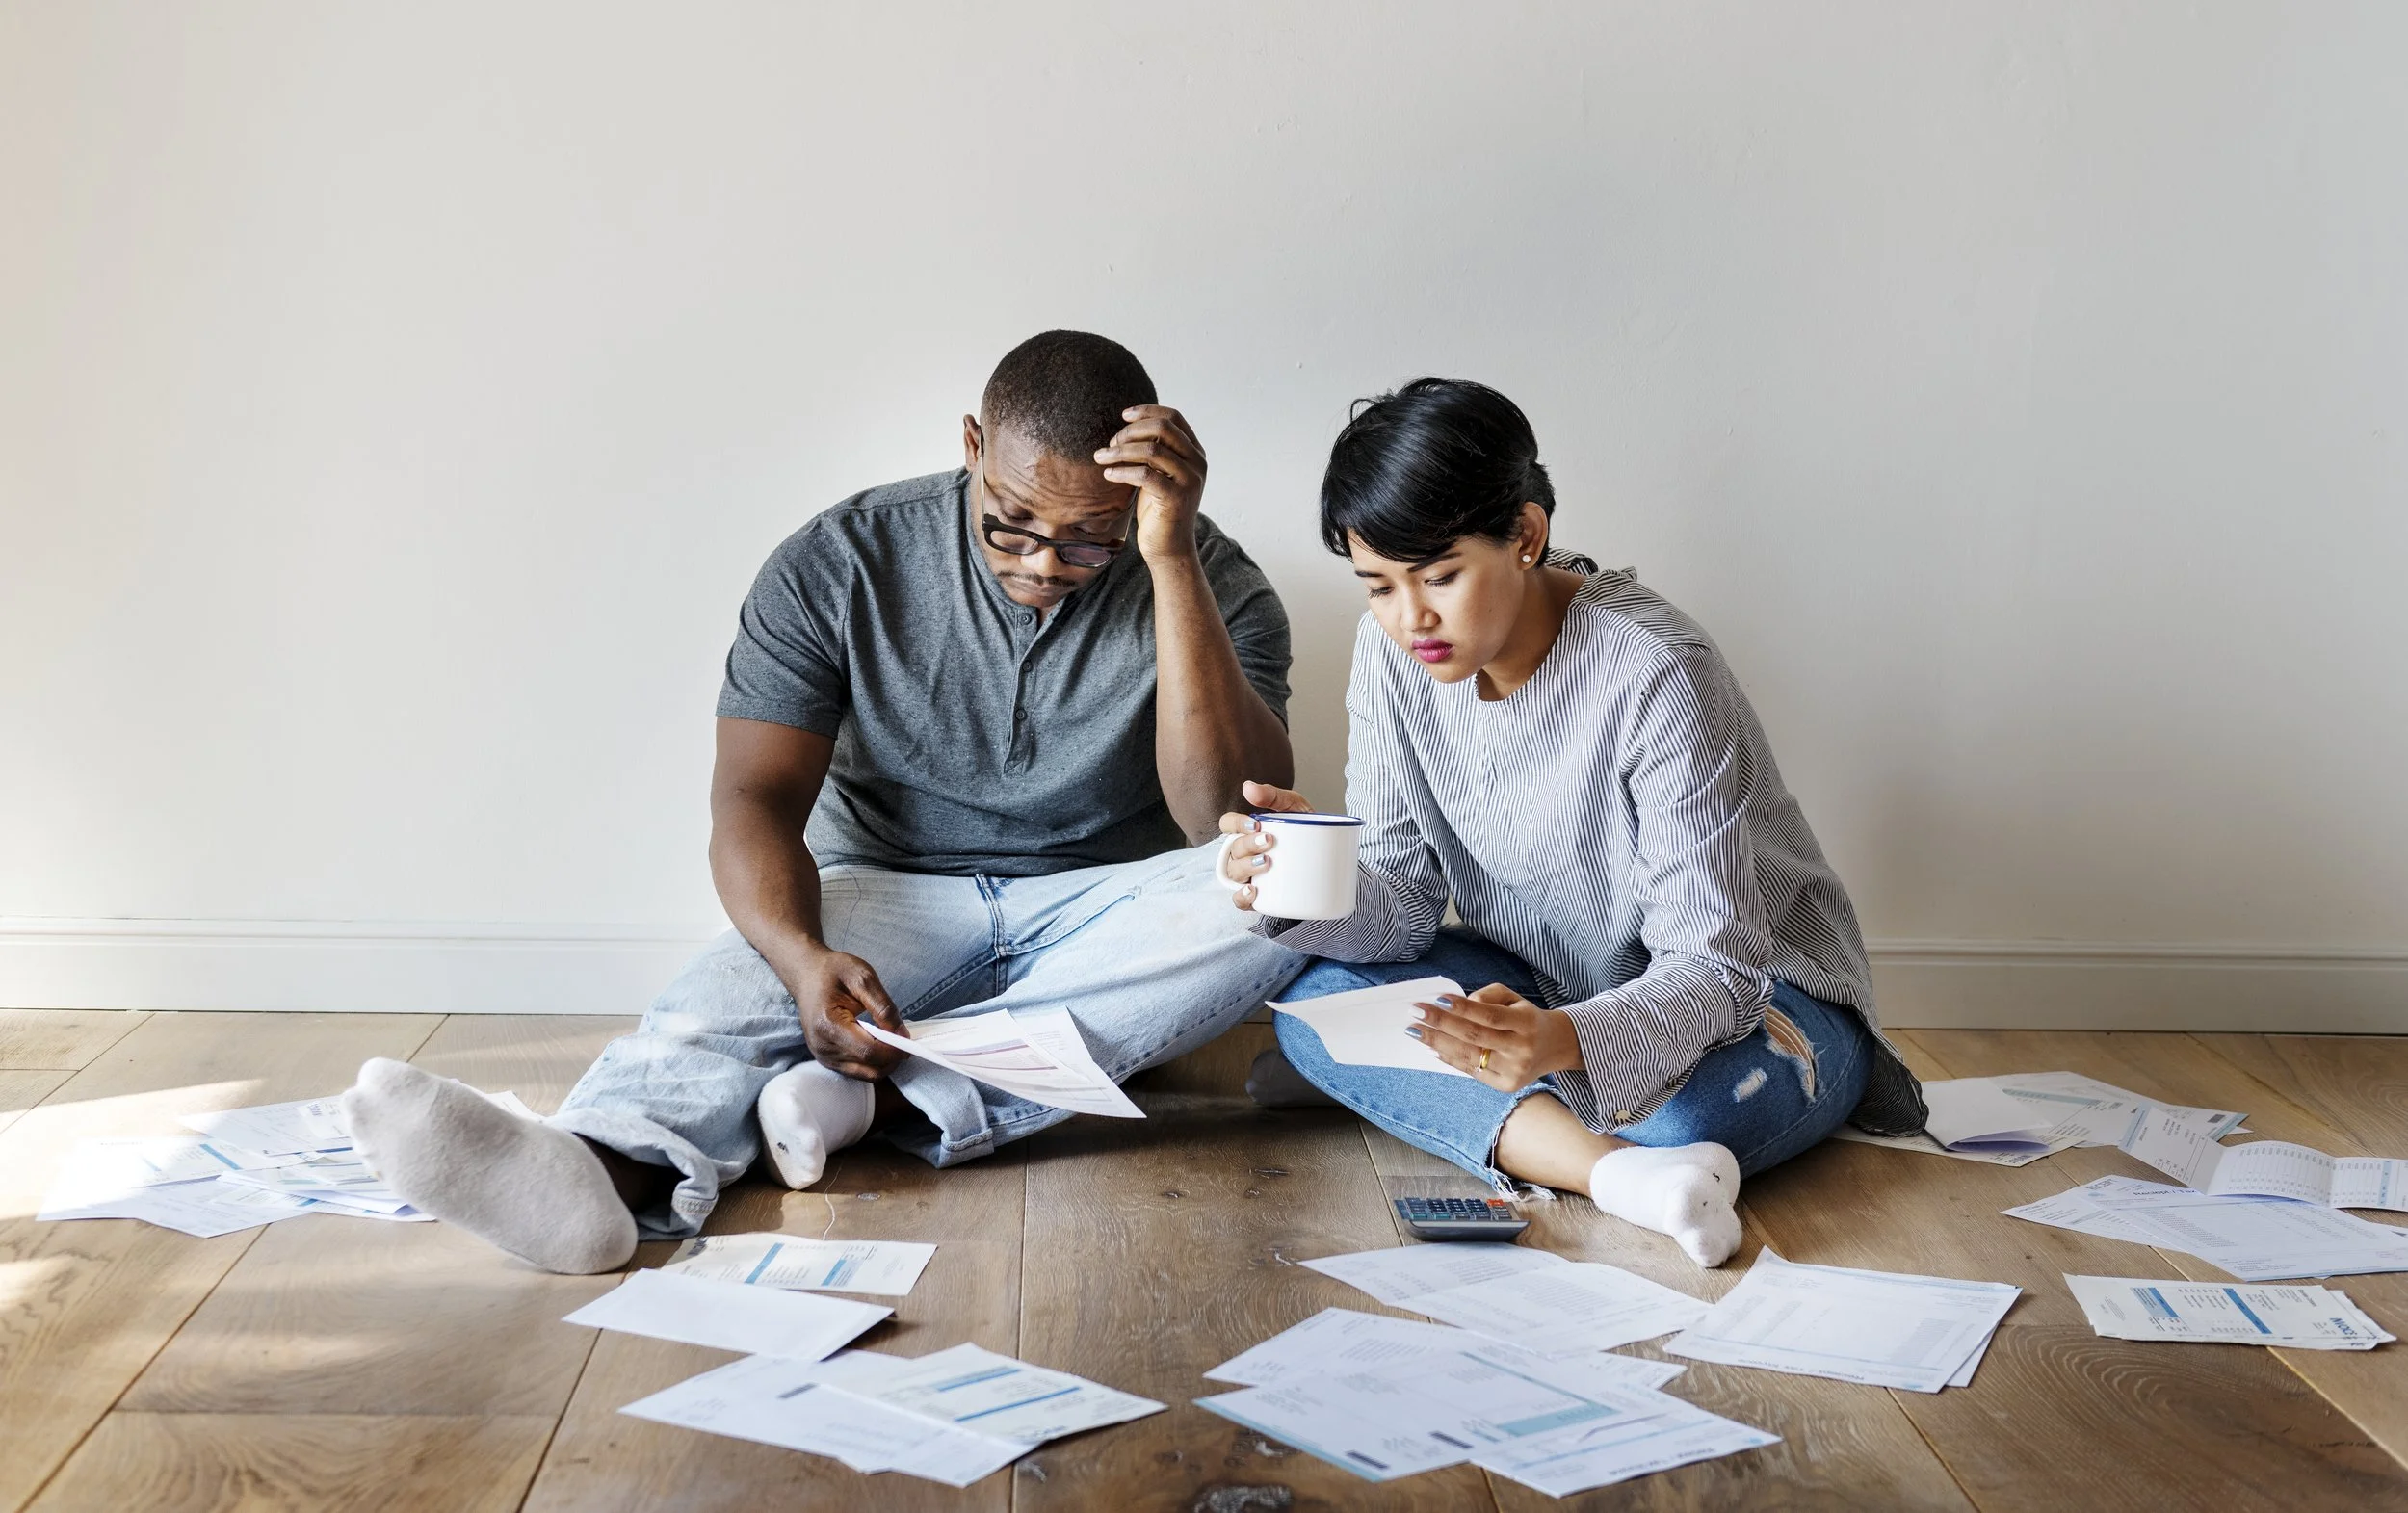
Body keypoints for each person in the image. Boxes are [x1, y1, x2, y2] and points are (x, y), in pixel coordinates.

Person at [344, 331, 1305, 1273]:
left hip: (1102, 904)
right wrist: (803, 957)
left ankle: (880, 1103)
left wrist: (1166, 560)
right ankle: (591, 1165)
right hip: (887, 888)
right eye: (1011, 520)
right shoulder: (840, 560)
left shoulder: (1213, 581)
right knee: (730, 990)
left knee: (1281, 894)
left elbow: (1217, 815)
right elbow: (752, 799)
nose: (1044, 563)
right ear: (971, 448)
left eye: (1089, 540)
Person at [1222, 378, 1926, 1267]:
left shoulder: (1658, 672)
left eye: (1440, 576)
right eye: (1378, 587)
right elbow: (1401, 908)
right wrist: (1286, 880)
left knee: (1685, 1114)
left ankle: (1468, 1109)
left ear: (1525, 535)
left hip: (1764, 1000)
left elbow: (1717, 967)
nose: (1412, 620)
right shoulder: (1392, 654)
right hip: (1554, 983)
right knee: (1314, 999)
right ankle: (1623, 1176)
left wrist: (1561, 1039)